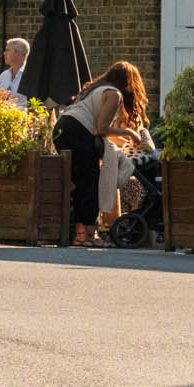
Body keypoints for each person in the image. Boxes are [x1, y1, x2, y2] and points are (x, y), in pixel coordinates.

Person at [55, 61, 147, 248]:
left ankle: (81, 234)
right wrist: (131, 133)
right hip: (78, 131)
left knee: (82, 184)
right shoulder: (114, 94)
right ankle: (87, 235)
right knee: (90, 184)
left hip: (62, 129)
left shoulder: (95, 89)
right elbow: (101, 128)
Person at [0, 38, 30, 106]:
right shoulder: (3, 75)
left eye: (7, 50)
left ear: (18, 54)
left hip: (24, 115)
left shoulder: (29, 76)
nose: (4, 53)